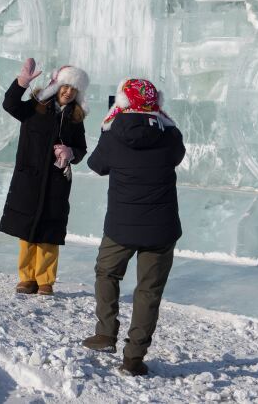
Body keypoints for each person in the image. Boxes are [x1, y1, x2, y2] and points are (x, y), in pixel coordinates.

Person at [81, 78, 186, 377]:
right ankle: (133, 358)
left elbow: (96, 166)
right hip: (161, 229)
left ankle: (105, 332)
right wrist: (165, 121)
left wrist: (107, 125)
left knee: (107, 272)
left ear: (123, 103)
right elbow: (177, 157)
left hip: (121, 227)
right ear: (157, 104)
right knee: (148, 291)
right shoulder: (170, 135)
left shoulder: (113, 133)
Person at [0, 58, 89, 296]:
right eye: (65, 87)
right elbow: (9, 104)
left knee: (49, 233)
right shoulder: (34, 107)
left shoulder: (75, 118)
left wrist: (71, 153)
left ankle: (45, 280)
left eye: (73, 89)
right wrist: (20, 84)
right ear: (57, 86)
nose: (68, 92)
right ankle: (27, 278)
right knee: (27, 232)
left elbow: (81, 149)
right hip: (29, 180)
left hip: (56, 183)